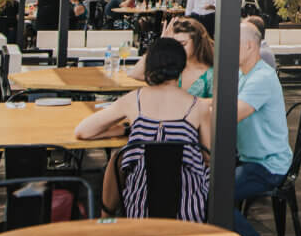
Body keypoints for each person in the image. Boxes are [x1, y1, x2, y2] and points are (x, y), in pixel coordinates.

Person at [77, 37, 212, 222]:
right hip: (189, 210)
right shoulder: (198, 107)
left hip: (140, 207)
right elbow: (208, 156)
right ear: (182, 67)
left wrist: (126, 130)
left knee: (119, 157)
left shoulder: (134, 100)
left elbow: (83, 131)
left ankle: (106, 217)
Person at [224, 21, 292, 236]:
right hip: (250, 160)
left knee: (212, 194)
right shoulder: (243, 74)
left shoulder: (261, 77)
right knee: (202, 184)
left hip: (269, 165)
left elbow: (231, 113)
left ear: (250, 46)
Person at [129, 16, 214, 97]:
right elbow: (135, 74)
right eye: (174, 44)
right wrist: (159, 44)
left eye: (183, 44)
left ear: (197, 43)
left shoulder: (210, 76)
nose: (177, 48)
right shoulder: (172, 68)